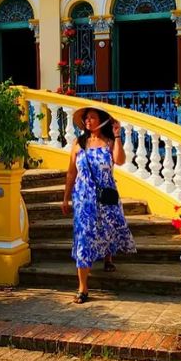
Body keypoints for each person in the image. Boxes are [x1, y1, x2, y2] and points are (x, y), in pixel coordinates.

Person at [62, 106, 136, 303]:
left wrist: (118, 135)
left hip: (106, 196)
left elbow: (120, 161)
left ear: (101, 120)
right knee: (84, 236)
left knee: (107, 228)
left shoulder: (109, 142)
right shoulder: (78, 143)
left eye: (92, 117)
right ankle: (83, 287)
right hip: (83, 198)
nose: (88, 121)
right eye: (86, 118)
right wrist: (65, 197)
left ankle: (108, 257)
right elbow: (71, 173)